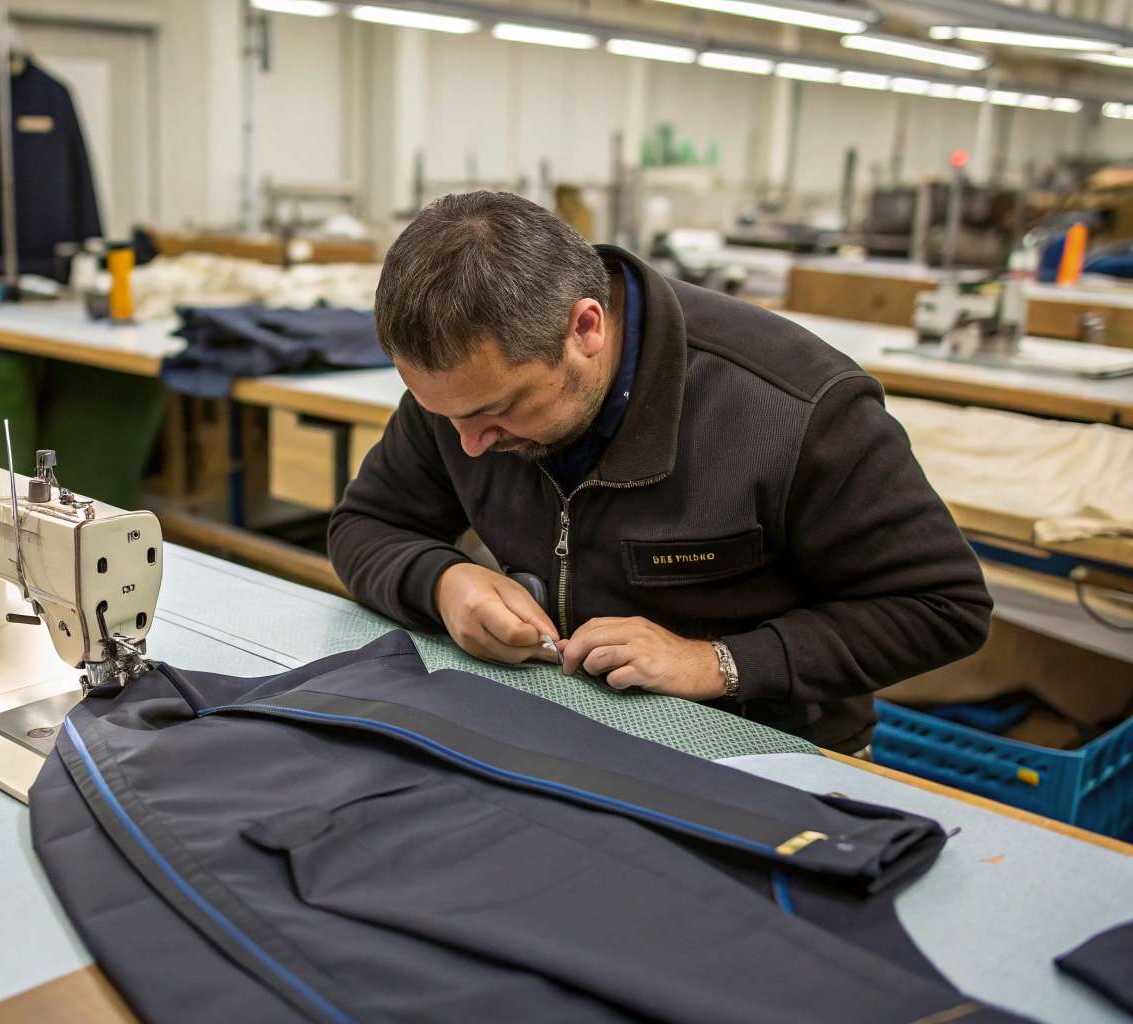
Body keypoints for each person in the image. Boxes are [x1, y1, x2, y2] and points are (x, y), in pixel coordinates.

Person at [328, 192, 991, 753]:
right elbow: (366, 524)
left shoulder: (799, 411)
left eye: (500, 410)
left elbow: (942, 608)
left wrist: (719, 663)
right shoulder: (464, 399)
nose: (469, 446)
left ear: (585, 328)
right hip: (562, 728)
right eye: (446, 417)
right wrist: (442, 581)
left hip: (769, 753)